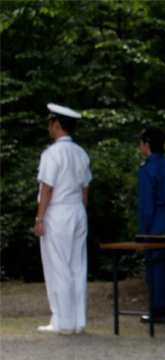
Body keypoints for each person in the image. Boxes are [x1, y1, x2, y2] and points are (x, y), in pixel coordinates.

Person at [35, 103, 91, 335]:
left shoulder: (52, 153)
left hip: (58, 211)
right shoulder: (80, 152)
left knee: (58, 265)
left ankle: (62, 320)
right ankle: (78, 320)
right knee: (77, 266)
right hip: (77, 209)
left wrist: (39, 219)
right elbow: (85, 187)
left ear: (56, 124)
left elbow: (47, 188)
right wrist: (81, 210)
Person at [136, 125, 165, 324]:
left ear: (147, 144)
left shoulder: (147, 169)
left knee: (155, 268)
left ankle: (158, 310)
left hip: (155, 222)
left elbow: (146, 204)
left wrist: (144, 231)